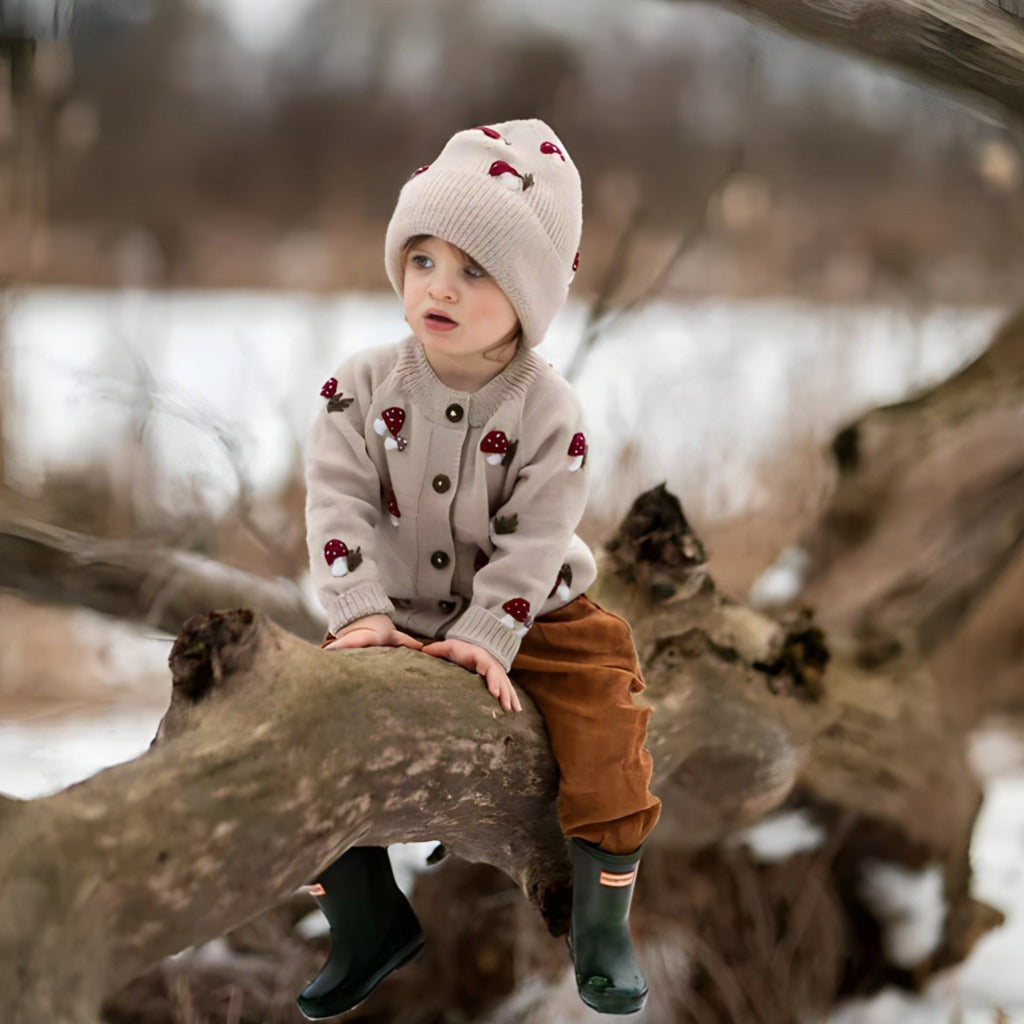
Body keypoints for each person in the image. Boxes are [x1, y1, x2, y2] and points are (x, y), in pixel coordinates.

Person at [299, 118, 661, 1018]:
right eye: (423, 260)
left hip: (536, 611)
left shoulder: (549, 409)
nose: (440, 288)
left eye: (475, 271)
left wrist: (489, 633)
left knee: (608, 715)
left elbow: (539, 537)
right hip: (393, 609)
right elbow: (336, 500)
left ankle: (602, 920)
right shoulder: (361, 386)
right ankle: (364, 915)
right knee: (302, 713)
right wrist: (356, 612)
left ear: (530, 296)